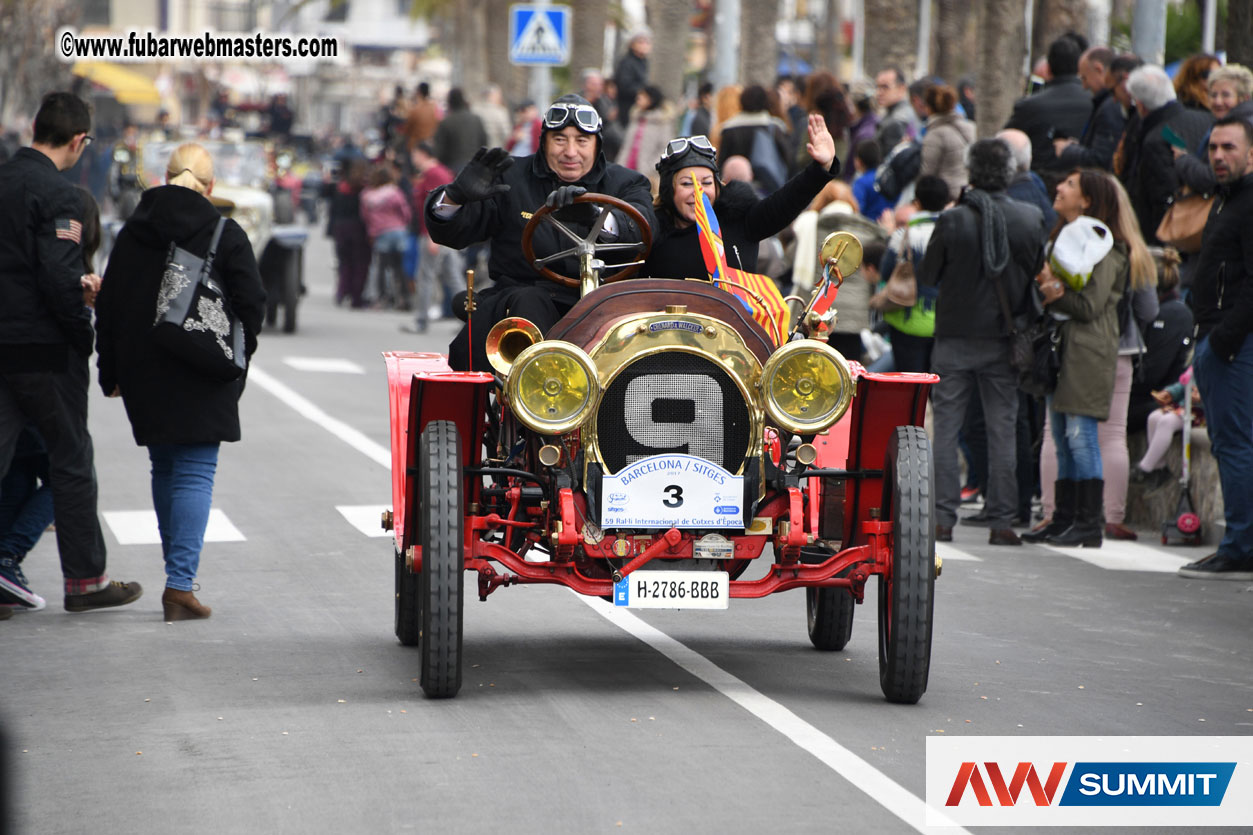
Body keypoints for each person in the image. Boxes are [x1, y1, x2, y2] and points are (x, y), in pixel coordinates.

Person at [95, 143, 266, 619]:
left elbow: (108, 304)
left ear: (162, 177)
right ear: (210, 188)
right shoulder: (223, 231)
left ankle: (178, 579)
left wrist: (110, 369)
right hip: (202, 368)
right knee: (194, 470)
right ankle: (180, 585)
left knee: (165, 468)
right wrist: (238, 355)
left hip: (142, 370)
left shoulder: (134, 230)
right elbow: (253, 303)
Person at [0, 92, 143, 612]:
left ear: (35, 127)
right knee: (71, 458)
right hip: (42, 348)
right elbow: (60, 278)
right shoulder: (59, 196)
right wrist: (84, 335)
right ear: (80, 141)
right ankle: (86, 582)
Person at [426, 94, 655, 372]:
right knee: (524, 304)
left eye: (582, 141)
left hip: (603, 306)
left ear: (597, 145)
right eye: (560, 140)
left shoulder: (627, 183)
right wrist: (453, 197)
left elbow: (645, 228)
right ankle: (531, 387)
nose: (570, 152)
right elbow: (457, 234)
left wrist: (597, 217)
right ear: (544, 141)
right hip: (521, 301)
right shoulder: (510, 178)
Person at [919, 138, 1048, 546]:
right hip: (1005, 339)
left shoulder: (953, 220)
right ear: (1010, 173)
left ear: (971, 172)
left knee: (947, 428)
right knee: (1003, 427)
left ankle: (942, 519)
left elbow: (927, 276)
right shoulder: (1029, 218)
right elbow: (1036, 274)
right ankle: (1004, 520)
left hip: (955, 335)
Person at [1024, 170, 1153, 548]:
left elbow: (1090, 305)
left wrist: (1052, 291)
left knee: (1082, 438)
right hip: (1065, 349)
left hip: (1088, 351)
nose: (1059, 189)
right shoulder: (1065, 238)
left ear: (1089, 201)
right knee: (1063, 437)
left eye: (1070, 185)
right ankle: (1064, 518)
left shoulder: (1105, 248)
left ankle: (1087, 523)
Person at [0, 186, 102, 612]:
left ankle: (6, 565)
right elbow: (58, 293)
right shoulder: (61, 213)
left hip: (10, 352)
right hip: (43, 358)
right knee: (68, 466)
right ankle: (11, 558)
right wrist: (84, 328)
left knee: (21, 469)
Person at [1177, 116, 1253, 579]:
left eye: (1229, 147)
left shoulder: (1247, 203)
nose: (1219, 156)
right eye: (1213, 148)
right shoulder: (1226, 201)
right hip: (1217, 337)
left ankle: (1239, 546)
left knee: (1233, 444)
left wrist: (1223, 340)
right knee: (1231, 444)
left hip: (1232, 342)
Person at [642, 114, 839, 285]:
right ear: (669, 190)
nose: (699, 192)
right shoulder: (650, 232)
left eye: (707, 182)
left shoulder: (739, 218)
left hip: (732, 326)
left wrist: (820, 169)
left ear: (718, 186)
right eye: (687, 183)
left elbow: (784, 203)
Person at [1123, 65, 1213, 244]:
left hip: (1177, 234)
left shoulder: (1158, 137)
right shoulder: (1207, 119)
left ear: (1140, 105)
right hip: (1209, 223)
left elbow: (1162, 197)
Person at [873, 174, 950, 372]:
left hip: (905, 321)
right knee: (937, 385)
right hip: (944, 324)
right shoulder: (953, 236)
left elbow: (885, 273)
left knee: (910, 384)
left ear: (917, 202)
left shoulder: (903, 236)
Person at [1004, 35, 1093, 175]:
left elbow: (1007, 142)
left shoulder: (1029, 106)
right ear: (1078, 67)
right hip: (1085, 182)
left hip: (1039, 183)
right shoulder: (1095, 103)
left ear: (1048, 68)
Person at [1128, 248, 1193, 435]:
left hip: (1165, 399)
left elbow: (1151, 374)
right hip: (1152, 396)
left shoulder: (1171, 314)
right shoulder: (1169, 310)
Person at [405, 142, 462, 333]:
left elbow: (438, 206)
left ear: (423, 154)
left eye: (415, 155)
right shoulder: (439, 172)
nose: (413, 159)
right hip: (444, 232)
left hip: (433, 233)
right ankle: (469, 322)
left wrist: (433, 234)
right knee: (453, 277)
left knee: (426, 276)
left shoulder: (433, 174)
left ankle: (421, 320)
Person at [1173, 64, 1253, 198]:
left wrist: (1183, 159)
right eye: (1213, 95)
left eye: (1225, 95)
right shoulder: (1223, 124)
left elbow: (1214, 178)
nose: (1218, 101)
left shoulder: (1243, 128)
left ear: (1244, 98)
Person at [1053, 46, 1125, 172]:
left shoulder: (1111, 106)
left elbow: (1100, 159)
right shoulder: (1106, 103)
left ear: (1098, 69)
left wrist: (1067, 150)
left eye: (1084, 78)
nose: (1084, 86)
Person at [716, 85, 794, 194]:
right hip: (770, 190)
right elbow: (789, 160)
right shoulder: (775, 127)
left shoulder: (729, 129)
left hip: (735, 190)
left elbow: (721, 163)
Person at [1134, 367, 1201, 488]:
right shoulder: (1198, 363)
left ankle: (1144, 467)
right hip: (1183, 405)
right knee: (1154, 417)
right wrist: (1169, 393)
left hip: (1200, 411)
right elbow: (1183, 384)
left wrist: (1202, 397)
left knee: (1167, 422)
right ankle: (1158, 467)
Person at [359, 163, 413, 309]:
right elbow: (405, 211)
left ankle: (382, 298)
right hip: (398, 231)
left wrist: (372, 231)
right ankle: (404, 298)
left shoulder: (367, 195)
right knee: (400, 267)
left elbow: (365, 216)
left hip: (380, 233)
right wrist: (404, 223)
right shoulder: (395, 192)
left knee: (382, 267)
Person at [918, 83, 976, 201]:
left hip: (945, 197)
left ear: (929, 108)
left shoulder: (934, 135)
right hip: (969, 192)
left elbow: (927, 174)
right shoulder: (971, 127)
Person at [328, 160, 371, 308]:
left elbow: (333, 211)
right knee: (360, 264)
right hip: (359, 229)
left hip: (341, 228)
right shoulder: (365, 191)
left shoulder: (340, 189)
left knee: (344, 262)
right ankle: (356, 297)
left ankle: (342, 291)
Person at [618, 85, 674, 190]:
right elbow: (626, 145)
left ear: (651, 99)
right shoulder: (636, 118)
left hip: (647, 174)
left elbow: (664, 148)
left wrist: (651, 168)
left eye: (642, 96)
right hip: (626, 169)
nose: (638, 98)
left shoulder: (662, 121)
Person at [433, 88, 488, 175]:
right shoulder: (476, 119)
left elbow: (439, 151)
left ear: (449, 102)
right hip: (474, 167)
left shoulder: (446, 122)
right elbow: (484, 142)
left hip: (452, 169)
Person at [873, 66, 920, 158]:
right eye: (877, 87)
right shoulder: (893, 114)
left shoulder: (898, 121)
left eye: (885, 87)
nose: (879, 92)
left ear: (901, 89)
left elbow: (891, 161)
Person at [614, 29, 651, 130]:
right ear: (632, 44)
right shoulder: (627, 62)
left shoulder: (644, 62)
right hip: (627, 107)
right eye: (641, 42)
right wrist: (643, 93)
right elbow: (624, 85)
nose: (644, 45)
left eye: (647, 42)